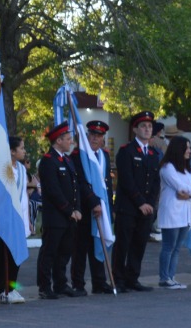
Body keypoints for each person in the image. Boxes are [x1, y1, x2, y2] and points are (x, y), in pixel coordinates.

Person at [113, 111, 161, 292]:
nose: (147, 129)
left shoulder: (154, 153)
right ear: (135, 129)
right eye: (143, 126)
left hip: (146, 209)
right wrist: (140, 202)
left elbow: (155, 181)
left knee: (139, 244)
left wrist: (150, 203)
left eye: (150, 127)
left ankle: (132, 278)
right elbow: (126, 180)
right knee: (123, 245)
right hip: (128, 207)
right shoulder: (127, 151)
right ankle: (118, 279)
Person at [37, 122, 84, 299]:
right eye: (68, 139)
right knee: (49, 252)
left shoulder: (67, 160)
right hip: (56, 216)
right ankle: (44, 286)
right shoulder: (48, 161)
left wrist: (77, 208)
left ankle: (60, 283)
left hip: (70, 216)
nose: (71, 142)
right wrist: (68, 210)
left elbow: (75, 187)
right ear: (58, 141)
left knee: (64, 252)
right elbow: (53, 190)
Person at [70, 120, 114, 295]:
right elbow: (81, 182)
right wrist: (93, 202)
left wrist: (107, 206)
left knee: (99, 242)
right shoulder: (78, 155)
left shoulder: (104, 155)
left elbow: (107, 183)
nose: (95, 139)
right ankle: (78, 283)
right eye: (92, 135)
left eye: (99, 136)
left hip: (102, 208)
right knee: (80, 247)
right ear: (86, 136)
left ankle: (99, 282)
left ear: (103, 138)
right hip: (84, 206)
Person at [0, 136, 31, 305]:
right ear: (12, 151)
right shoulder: (3, 169)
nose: (24, 151)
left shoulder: (22, 170)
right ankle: (1, 290)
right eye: (21, 148)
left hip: (20, 218)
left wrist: (28, 219)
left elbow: (24, 197)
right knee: (3, 255)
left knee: (16, 254)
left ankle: (12, 286)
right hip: (5, 219)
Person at [156, 137, 191, 289]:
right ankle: (164, 278)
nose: (189, 150)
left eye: (189, 147)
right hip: (172, 212)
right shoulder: (167, 168)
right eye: (186, 147)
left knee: (177, 247)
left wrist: (190, 193)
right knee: (168, 246)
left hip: (185, 214)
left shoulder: (187, 169)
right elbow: (181, 188)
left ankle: (171, 276)